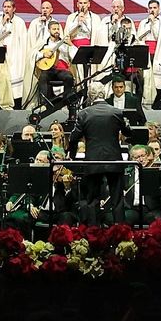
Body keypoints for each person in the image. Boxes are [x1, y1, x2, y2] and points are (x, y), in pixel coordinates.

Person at [69, 81, 129, 225]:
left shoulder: (84, 113)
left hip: (93, 160)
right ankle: (121, 234)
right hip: (114, 159)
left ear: (90, 96)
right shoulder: (116, 112)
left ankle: (94, 234)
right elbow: (127, 132)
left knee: (92, 200)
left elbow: (74, 137)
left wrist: (71, 155)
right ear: (104, 94)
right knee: (117, 200)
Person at [31, 20, 77, 112]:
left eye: (58, 29)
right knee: (43, 76)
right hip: (49, 69)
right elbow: (33, 54)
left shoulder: (64, 43)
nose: (56, 31)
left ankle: (65, 103)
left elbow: (75, 55)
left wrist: (71, 44)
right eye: (54, 29)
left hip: (61, 70)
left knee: (68, 77)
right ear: (49, 30)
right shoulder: (44, 43)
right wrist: (43, 55)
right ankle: (43, 104)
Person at [0, 0, 28, 109]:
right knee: (4, 80)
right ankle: (5, 105)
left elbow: (24, 40)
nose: (6, 9)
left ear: (14, 9)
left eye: (9, 7)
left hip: (16, 55)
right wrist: (3, 24)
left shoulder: (19, 21)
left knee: (17, 81)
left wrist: (24, 56)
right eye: (5, 7)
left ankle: (17, 105)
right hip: (3, 55)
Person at [136, 0, 161, 110]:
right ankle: (144, 106)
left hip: (158, 54)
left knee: (158, 82)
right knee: (145, 81)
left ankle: (157, 106)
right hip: (146, 54)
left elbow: (158, 36)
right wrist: (149, 23)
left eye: (154, 8)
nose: (152, 10)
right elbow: (140, 38)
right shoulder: (143, 22)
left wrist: (153, 23)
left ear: (159, 9)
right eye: (150, 8)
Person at [64, 0, 108, 82]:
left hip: (89, 48)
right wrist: (78, 22)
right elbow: (67, 34)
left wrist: (85, 22)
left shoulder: (95, 18)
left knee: (88, 71)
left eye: (85, 3)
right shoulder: (72, 17)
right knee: (78, 72)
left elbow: (97, 34)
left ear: (88, 4)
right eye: (80, 3)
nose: (83, 5)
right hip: (74, 47)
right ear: (77, 4)